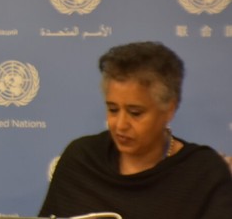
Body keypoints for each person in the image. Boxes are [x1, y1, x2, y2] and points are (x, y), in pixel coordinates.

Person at [39, 41, 232, 219]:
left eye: (135, 113)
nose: (120, 124)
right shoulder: (81, 159)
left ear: (169, 109)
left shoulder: (203, 173)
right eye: (113, 109)